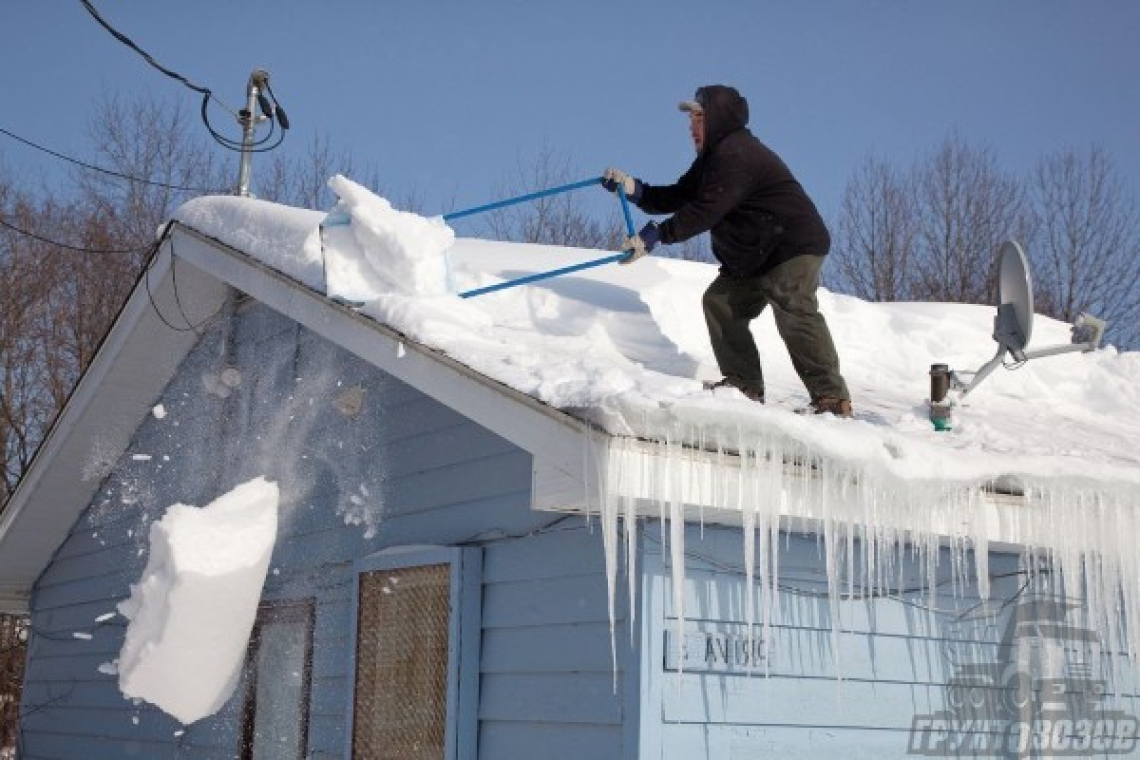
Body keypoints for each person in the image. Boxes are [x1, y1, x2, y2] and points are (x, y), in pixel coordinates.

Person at [602, 84, 852, 417]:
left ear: (719, 119)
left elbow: (706, 210)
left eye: (698, 118)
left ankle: (832, 399)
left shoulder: (737, 154)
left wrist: (656, 236)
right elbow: (679, 196)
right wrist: (634, 190)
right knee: (720, 303)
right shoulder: (712, 159)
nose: (691, 128)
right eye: (690, 120)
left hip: (790, 244)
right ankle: (744, 387)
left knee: (791, 301)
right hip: (756, 254)